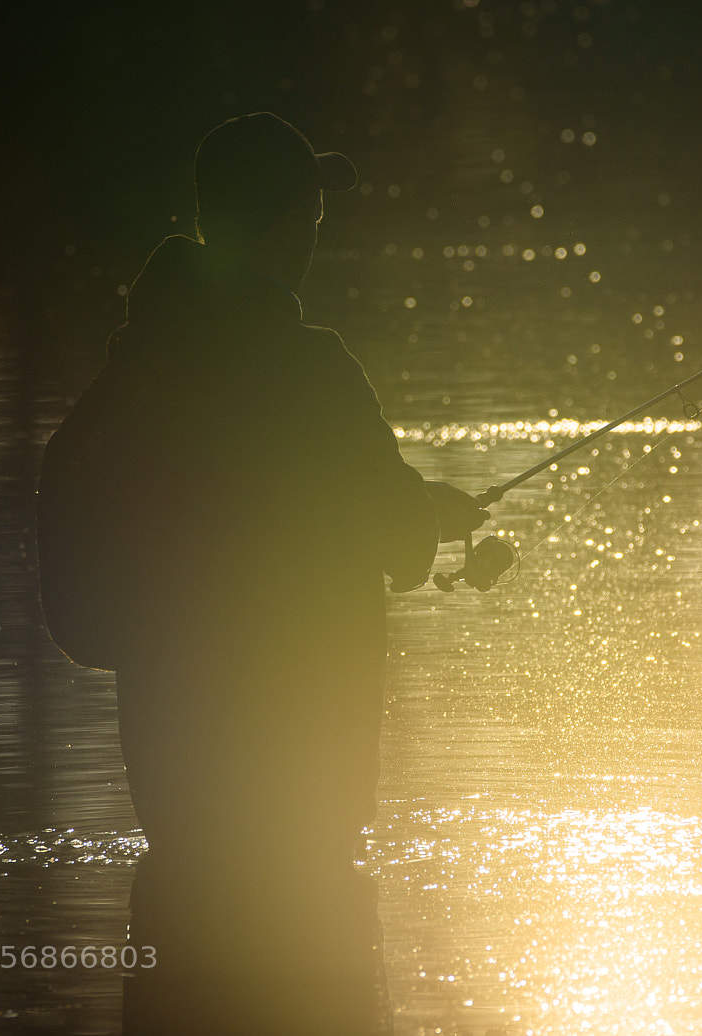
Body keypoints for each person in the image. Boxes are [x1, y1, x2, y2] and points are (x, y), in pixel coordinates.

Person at [38, 112, 487, 1034]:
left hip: (173, 767)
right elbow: (392, 538)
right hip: (301, 774)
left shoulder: (141, 367)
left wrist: (412, 504)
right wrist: (426, 514)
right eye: (316, 214)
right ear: (288, 227)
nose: (321, 231)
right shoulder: (312, 371)